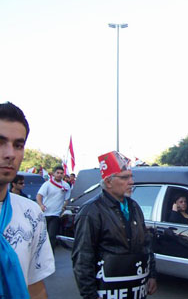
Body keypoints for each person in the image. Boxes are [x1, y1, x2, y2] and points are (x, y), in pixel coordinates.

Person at [72, 151, 157, 299]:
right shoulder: (91, 211)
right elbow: (83, 258)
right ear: (108, 182)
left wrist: (152, 275)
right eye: (124, 177)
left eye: (131, 176)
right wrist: (90, 295)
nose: (131, 182)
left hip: (135, 290)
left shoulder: (134, 207)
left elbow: (146, 244)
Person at [0, 102, 54, 298]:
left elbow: (35, 286)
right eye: (0, 142)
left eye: (18, 145)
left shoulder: (32, 213)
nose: (10, 154)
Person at [36, 165, 71, 251]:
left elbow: (67, 199)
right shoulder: (47, 184)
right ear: (53, 174)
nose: (59, 175)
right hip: (45, 214)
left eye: (61, 173)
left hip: (55, 215)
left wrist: (63, 207)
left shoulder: (66, 185)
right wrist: (41, 205)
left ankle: (50, 255)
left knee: (52, 236)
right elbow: (39, 196)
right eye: (57, 173)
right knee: (42, 236)